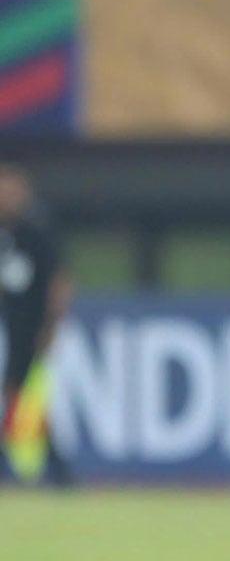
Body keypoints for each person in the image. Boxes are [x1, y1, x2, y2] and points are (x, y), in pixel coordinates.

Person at [0, 163, 72, 485]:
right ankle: (56, 468)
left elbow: (60, 280)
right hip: (12, 326)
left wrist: (52, 325)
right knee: (18, 394)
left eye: (10, 190)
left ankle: (56, 467)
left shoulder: (38, 229)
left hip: (34, 327)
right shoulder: (7, 232)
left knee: (24, 395)